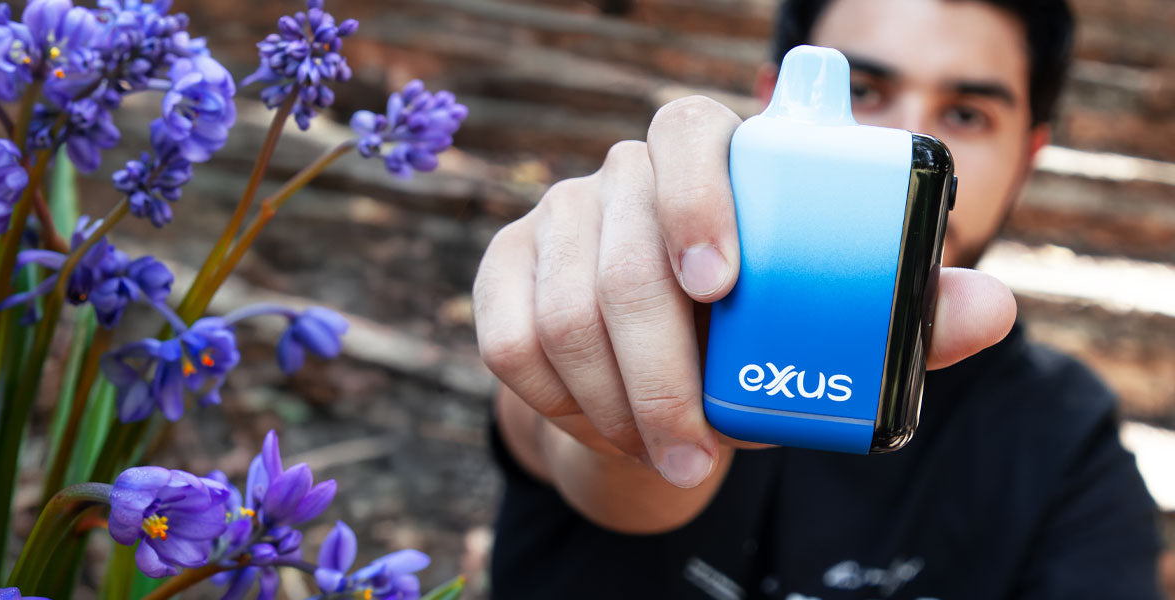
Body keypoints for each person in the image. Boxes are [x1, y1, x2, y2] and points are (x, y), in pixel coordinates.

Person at [471, 0, 1165, 597]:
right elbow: (564, 442)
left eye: (966, 112)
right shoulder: (677, 289)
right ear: (772, 99)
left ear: (1028, 155)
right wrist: (614, 417)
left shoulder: (1067, 443)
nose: (900, 141)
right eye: (860, 91)